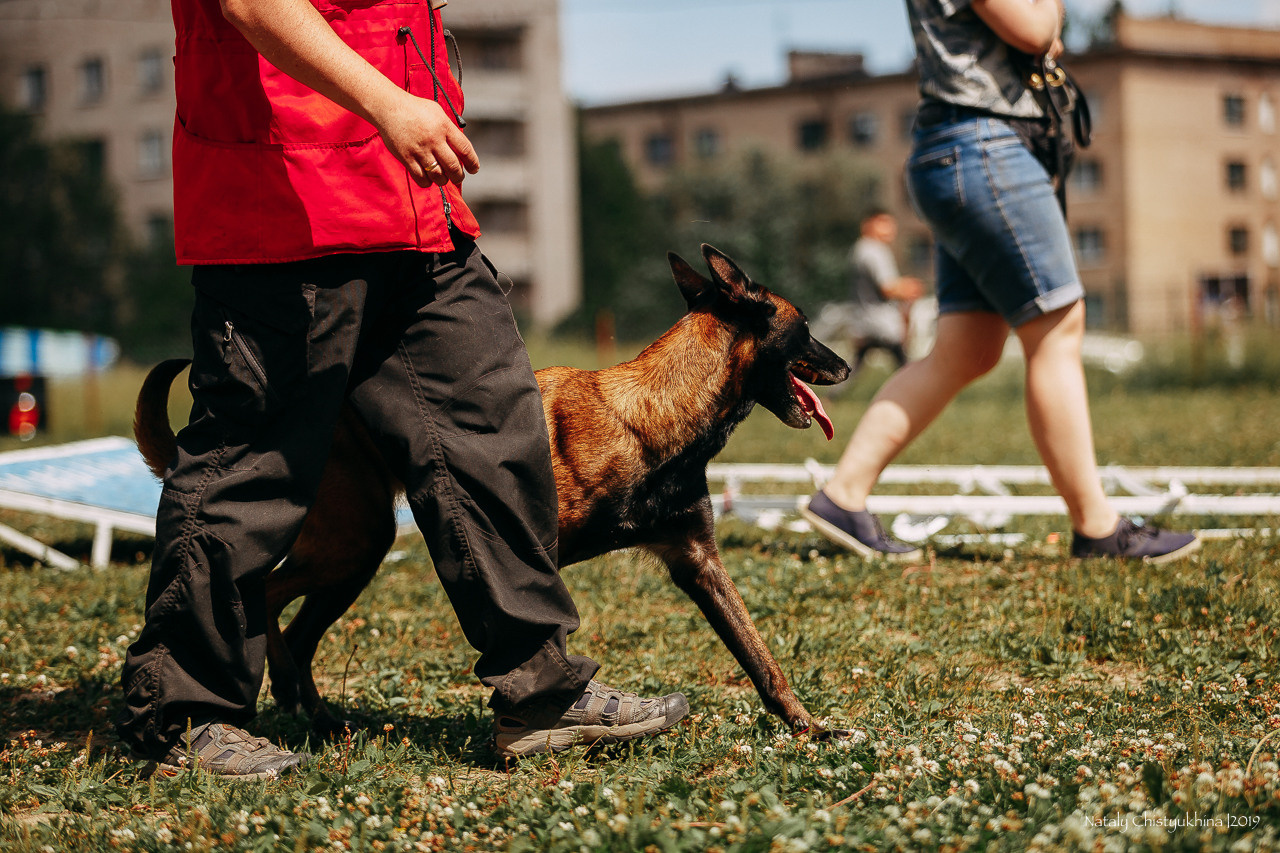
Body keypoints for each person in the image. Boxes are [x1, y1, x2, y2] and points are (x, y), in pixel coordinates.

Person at [117, 0, 688, 778]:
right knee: (252, 460)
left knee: (491, 426)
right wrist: (388, 103)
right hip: (286, 197)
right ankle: (181, 715)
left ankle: (541, 692)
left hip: (415, 205)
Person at [802, 0, 1200, 565]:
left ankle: (842, 495)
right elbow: (1035, 29)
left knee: (967, 350)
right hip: (983, 146)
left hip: (960, 149)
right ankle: (1097, 526)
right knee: (1058, 329)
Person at [846, 208, 925, 375]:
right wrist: (908, 287)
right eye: (884, 223)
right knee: (904, 364)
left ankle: (831, 396)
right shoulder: (874, 250)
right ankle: (913, 389)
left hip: (864, 320)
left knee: (855, 366)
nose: (890, 229)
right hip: (881, 322)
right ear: (868, 225)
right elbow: (887, 288)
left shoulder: (860, 249)